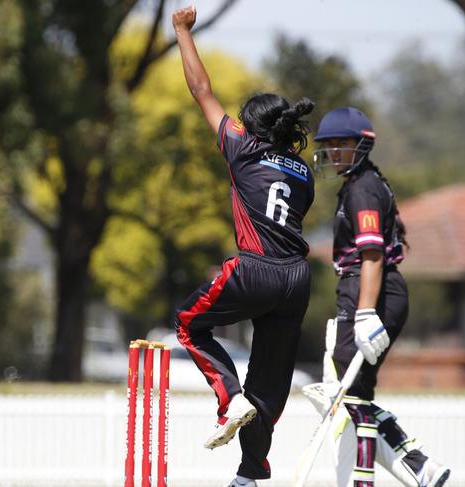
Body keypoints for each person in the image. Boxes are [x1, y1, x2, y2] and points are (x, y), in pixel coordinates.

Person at [171, 6, 315, 487]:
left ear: (252, 128)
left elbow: (201, 90)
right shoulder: (305, 173)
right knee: (269, 385)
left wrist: (181, 31)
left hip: (255, 268)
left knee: (189, 323)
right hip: (296, 278)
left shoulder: (242, 147)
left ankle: (228, 398)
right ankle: (250, 474)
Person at [304, 106, 450, 487]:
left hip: (369, 288)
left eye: (342, 143)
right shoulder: (361, 184)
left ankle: (380, 475)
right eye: (329, 145)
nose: (334, 152)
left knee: (343, 393)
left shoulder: (363, 188)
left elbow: (372, 254)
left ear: (362, 146)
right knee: (350, 395)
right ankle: (415, 465)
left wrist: (366, 312)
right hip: (369, 288)